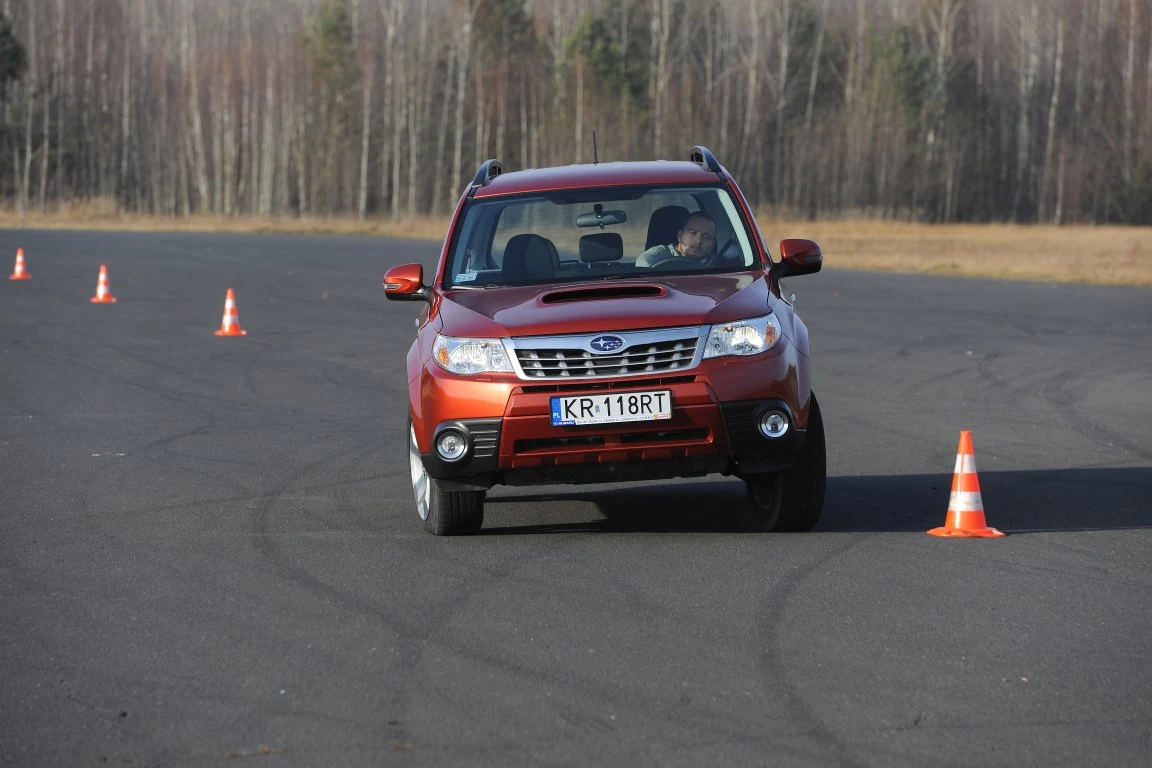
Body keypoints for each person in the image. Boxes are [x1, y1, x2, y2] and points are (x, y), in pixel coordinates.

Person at [636, 211, 717, 268]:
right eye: (693, 232)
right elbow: (643, 264)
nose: (698, 241)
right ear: (679, 235)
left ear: (712, 244)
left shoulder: (718, 267)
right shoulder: (656, 256)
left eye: (706, 237)